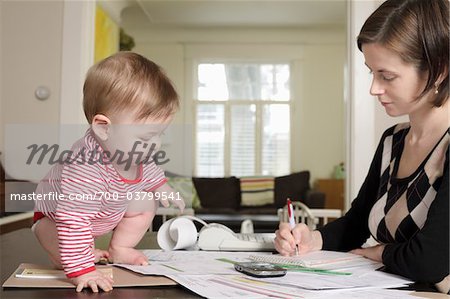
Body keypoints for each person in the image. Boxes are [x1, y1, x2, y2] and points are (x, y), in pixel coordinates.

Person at [275, 0, 449, 293]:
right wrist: (312, 239)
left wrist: (379, 252)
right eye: (372, 72)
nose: (374, 89)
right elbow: (357, 224)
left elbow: (431, 261)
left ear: (439, 69)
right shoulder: (392, 141)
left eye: (387, 76)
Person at [32, 52, 185, 292]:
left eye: (160, 134)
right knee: (64, 253)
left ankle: (120, 249)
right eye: (146, 137)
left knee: (145, 201)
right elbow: (73, 219)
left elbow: (148, 168)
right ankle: (72, 259)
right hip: (57, 219)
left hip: (106, 210)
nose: (155, 144)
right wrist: (83, 270)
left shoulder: (132, 149)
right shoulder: (84, 165)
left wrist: (161, 186)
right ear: (103, 128)